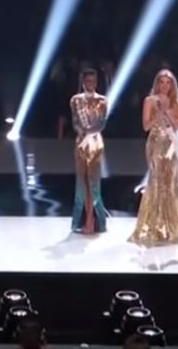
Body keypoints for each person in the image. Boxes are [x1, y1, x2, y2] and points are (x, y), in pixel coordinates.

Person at [129, 69, 178, 246]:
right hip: (155, 144)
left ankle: (173, 226)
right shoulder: (149, 101)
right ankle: (155, 225)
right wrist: (158, 114)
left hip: (172, 145)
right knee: (156, 182)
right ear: (157, 83)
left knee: (171, 183)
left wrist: (168, 111)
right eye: (161, 82)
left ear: (172, 84)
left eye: (168, 82)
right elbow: (146, 126)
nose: (164, 86)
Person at [70, 69, 108, 234]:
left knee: (93, 182)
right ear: (83, 82)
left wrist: (89, 132)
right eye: (88, 81)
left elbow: (101, 124)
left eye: (93, 81)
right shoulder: (75, 100)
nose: (90, 84)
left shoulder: (103, 100)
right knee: (81, 182)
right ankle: (83, 220)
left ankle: (95, 221)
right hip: (80, 143)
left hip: (95, 143)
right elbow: (74, 121)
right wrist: (80, 131)